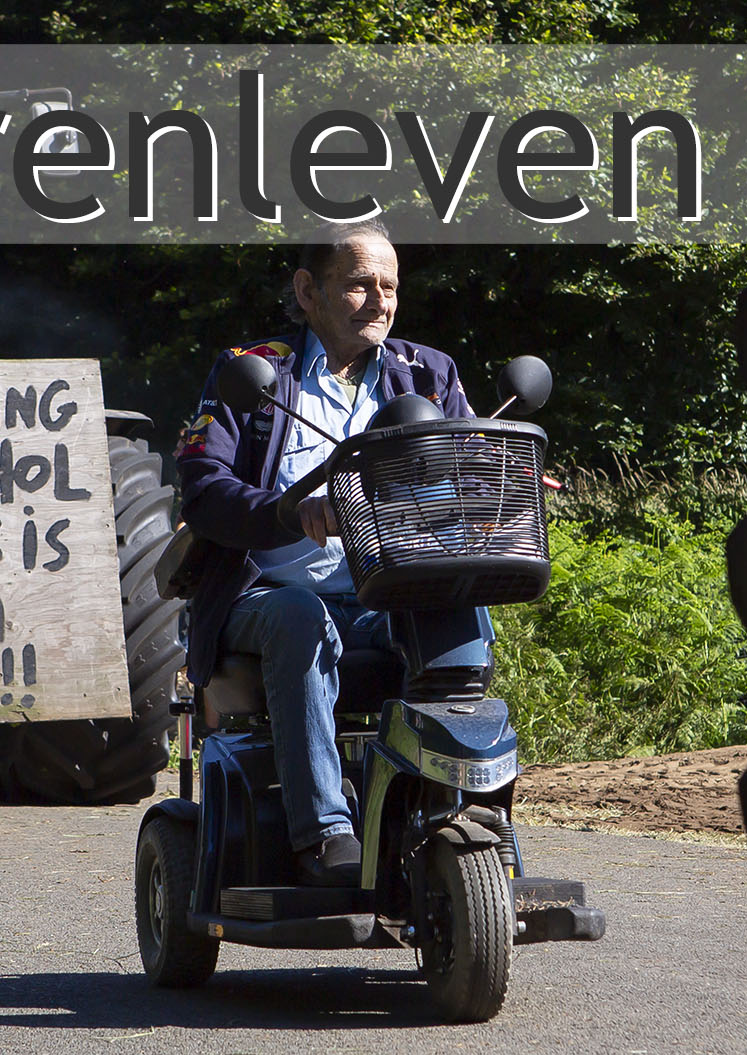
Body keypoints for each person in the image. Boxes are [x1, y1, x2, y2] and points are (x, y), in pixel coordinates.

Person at [175, 220, 482, 887]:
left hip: (385, 596)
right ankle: (324, 835)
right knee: (299, 616)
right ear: (308, 289)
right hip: (264, 599)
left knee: (458, 621)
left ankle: (454, 812)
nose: (379, 300)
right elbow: (203, 490)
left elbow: (469, 472)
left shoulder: (428, 375)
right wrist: (285, 511)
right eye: (359, 284)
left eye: (389, 287)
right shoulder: (251, 373)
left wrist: (497, 483)